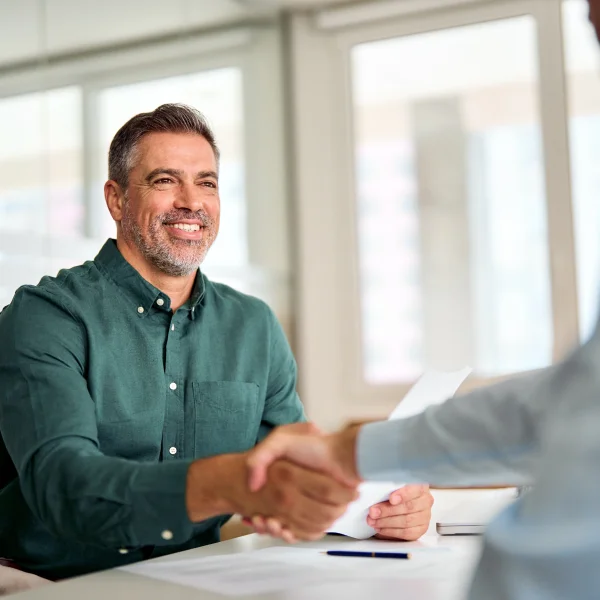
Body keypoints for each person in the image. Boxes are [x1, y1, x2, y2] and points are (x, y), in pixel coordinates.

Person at [0, 104, 431, 581]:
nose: (191, 201)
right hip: (52, 583)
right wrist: (225, 481)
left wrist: (381, 507)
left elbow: (294, 477)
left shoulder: (252, 325)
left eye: (206, 183)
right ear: (117, 199)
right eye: (165, 181)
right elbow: (66, 488)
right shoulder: (46, 316)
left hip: (197, 576)